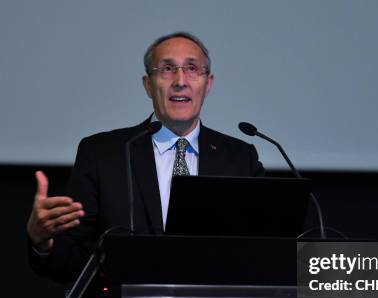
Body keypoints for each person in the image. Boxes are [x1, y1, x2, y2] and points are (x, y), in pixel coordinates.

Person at [27, 32, 265, 283]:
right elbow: (72, 260)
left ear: (208, 84)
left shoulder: (240, 158)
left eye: (192, 68)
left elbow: (268, 248)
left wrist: (312, 291)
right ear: (148, 85)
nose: (180, 80)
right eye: (167, 69)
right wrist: (42, 241)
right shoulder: (103, 154)